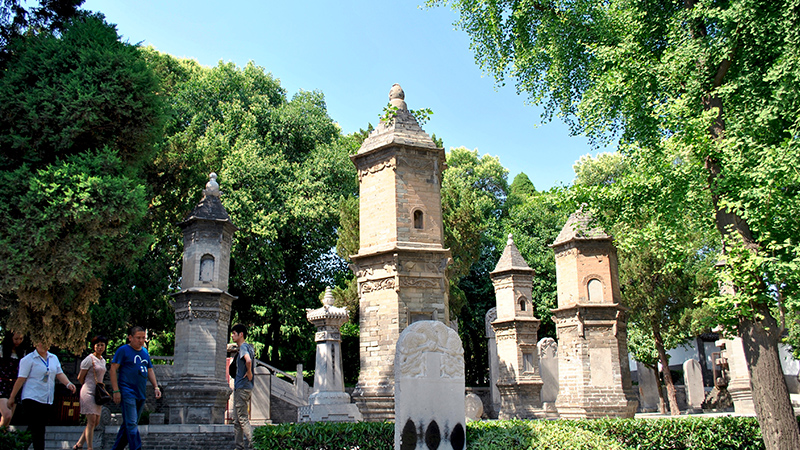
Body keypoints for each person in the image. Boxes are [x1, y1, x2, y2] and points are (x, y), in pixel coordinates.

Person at [7, 341, 77, 450]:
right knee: (37, 427)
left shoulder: (53, 358)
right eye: (41, 343)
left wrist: (68, 384)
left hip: (46, 398)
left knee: (39, 428)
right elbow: (21, 379)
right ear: (35, 343)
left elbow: (59, 373)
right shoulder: (28, 359)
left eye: (47, 343)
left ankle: (23, 445)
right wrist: (12, 397)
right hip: (32, 397)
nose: (45, 346)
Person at [109, 326, 160, 450]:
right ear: (130, 337)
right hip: (127, 391)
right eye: (138, 338)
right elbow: (113, 369)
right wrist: (116, 390)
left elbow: (149, 369)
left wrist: (156, 387)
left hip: (140, 393)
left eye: (143, 338)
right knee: (131, 423)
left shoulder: (145, 352)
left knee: (129, 425)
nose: (141, 341)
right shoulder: (123, 350)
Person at [72, 335, 108, 450]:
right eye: (98, 345)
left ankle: (79, 444)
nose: (100, 347)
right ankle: (90, 447)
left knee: (96, 421)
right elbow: (80, 377)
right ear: (94, 347)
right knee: (91, 420)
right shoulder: (89, 359)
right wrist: (88, 386)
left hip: (98, 393)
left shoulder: (103, 360)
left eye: (102, 345)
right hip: (88, 391)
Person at [230, 323, 254, 450]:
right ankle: (239, 447)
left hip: (242, 387)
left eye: (234, 334)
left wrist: (249, 372)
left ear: (241, 334)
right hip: (244, 387)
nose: (232, 336)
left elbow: (248, 360)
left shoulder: (244, 347)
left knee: (242, 418)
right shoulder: (249, 347)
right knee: (237, 420)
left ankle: (256, 444)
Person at [0, 332, 28, 429]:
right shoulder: (1, 351)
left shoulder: (22, 353)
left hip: (15, 386)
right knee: (6, 414)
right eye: (16, 339)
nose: (18, 341)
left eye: (21, 339)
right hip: (2, 383)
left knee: (8, 419)